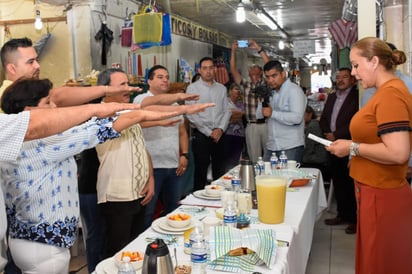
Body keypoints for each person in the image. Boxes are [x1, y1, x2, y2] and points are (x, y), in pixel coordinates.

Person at [0, 78, 179, 273]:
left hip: (21, 239)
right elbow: (97, 130)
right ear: (29, 112)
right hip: (45, 245)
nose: (56, 107)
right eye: (48, 102)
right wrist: (139, 113)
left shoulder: (10, 142)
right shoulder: (45, 144)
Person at [326, 37, 412, 274]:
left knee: (381, 264)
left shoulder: (390, 95)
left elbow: (398, 151)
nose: (353, 73)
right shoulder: (385, 92)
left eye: (356, 65)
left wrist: (352, 148)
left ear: (374, 61)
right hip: (374, 190)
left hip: (382, 194)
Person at [0, 37, 140, 110]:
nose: (38, 66)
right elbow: (57, 97)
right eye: (30, 62)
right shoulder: (4, 97)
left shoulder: (33, 91)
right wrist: (106, 91)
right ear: (12, 68)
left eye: (37, 60)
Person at [133, 65, 190, 228]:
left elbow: (182, 132)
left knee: (173, 211)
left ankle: (170, 244)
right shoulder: (141, 101)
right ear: (149, 81)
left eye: (166, 76)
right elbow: (137, 123)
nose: (165, 80)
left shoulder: (173, 104)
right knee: (147, 213)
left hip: (173, 166)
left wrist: (184, 154)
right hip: (151, 167)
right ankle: (144, 248)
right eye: (160, 77)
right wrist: (159, 122)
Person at [319, 67, 359, 234]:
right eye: (338, 77)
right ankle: (342, 214)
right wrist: (328, 133)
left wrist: (336, 134)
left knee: (350, 184)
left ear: (352, 80)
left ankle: (354, 220)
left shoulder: (357, 97)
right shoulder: (332, 96)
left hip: (348, 144)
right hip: (332, 146)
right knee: (339, 182)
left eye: (345, 77)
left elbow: (354, 122)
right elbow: (324, 119)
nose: (340, 80)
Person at [185, 57, 231, 191]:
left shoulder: (221, 88)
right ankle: (198, 202)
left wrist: (220, 129)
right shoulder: (192, 88)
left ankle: (219, 199)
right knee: (200, 171)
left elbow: (227, 110)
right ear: (199, 70)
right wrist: (209, 132)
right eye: (205, 68)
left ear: (215, 69)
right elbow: (191, 113)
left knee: (220, 170)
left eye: (211, 68)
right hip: (201, 135)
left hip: (220, 135)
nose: (208, 71)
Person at [230, 39, 270, 162]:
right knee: (255, 158)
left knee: (270, 155)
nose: (253, 71)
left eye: (256, 70)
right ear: (248, 73)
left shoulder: (266, 82)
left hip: (266, 124)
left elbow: (270, 65)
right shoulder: (245, 85)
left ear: (261, 72)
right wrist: (233, 51)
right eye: (251, 70)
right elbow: (233, 70)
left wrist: (258, 48)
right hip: (252, 124)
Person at [260, 60, 307, 162]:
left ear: (283, 74)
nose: (271, 80)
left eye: (274, 76)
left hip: (290, 146)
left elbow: (297, 118)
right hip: (272, 146)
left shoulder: (294, 91)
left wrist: (273, 113)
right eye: (267, 77)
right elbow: (260, 115)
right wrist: (262, 101)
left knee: (288, 178)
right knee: (265, 176)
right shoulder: (271, 93)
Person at [301, 105, 329, 179]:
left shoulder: (312, 127)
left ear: (309, 114)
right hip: (321, 160)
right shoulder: (315, 124)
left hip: (317, 161)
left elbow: (309, 148)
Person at [224, 83, 245, 171]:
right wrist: (238, 115)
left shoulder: (241, 104)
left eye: (239, 89)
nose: (238, 91)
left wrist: (236, 115)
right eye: (236, 88)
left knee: (235, 160)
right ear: (230, 91)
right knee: (226, 159)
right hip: (227, 134)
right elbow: (229, 117)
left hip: (239, 135)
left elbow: (243, 116)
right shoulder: (225, 102)